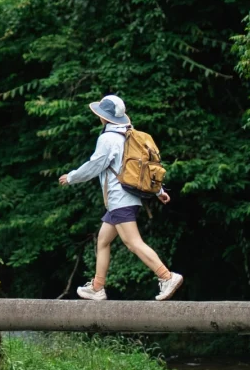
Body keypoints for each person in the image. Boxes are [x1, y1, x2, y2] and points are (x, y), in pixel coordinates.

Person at [59, 93, 183, 302]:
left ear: (104, 117)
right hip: (126, 199)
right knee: (103, 240)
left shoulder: (107, 138)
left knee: (132, 242)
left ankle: (166, 276)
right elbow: (142, 170)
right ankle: (97, 287)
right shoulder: (129, 136)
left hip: (120, 200)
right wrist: (159, 191)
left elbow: (95, 165)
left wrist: (71, 177)